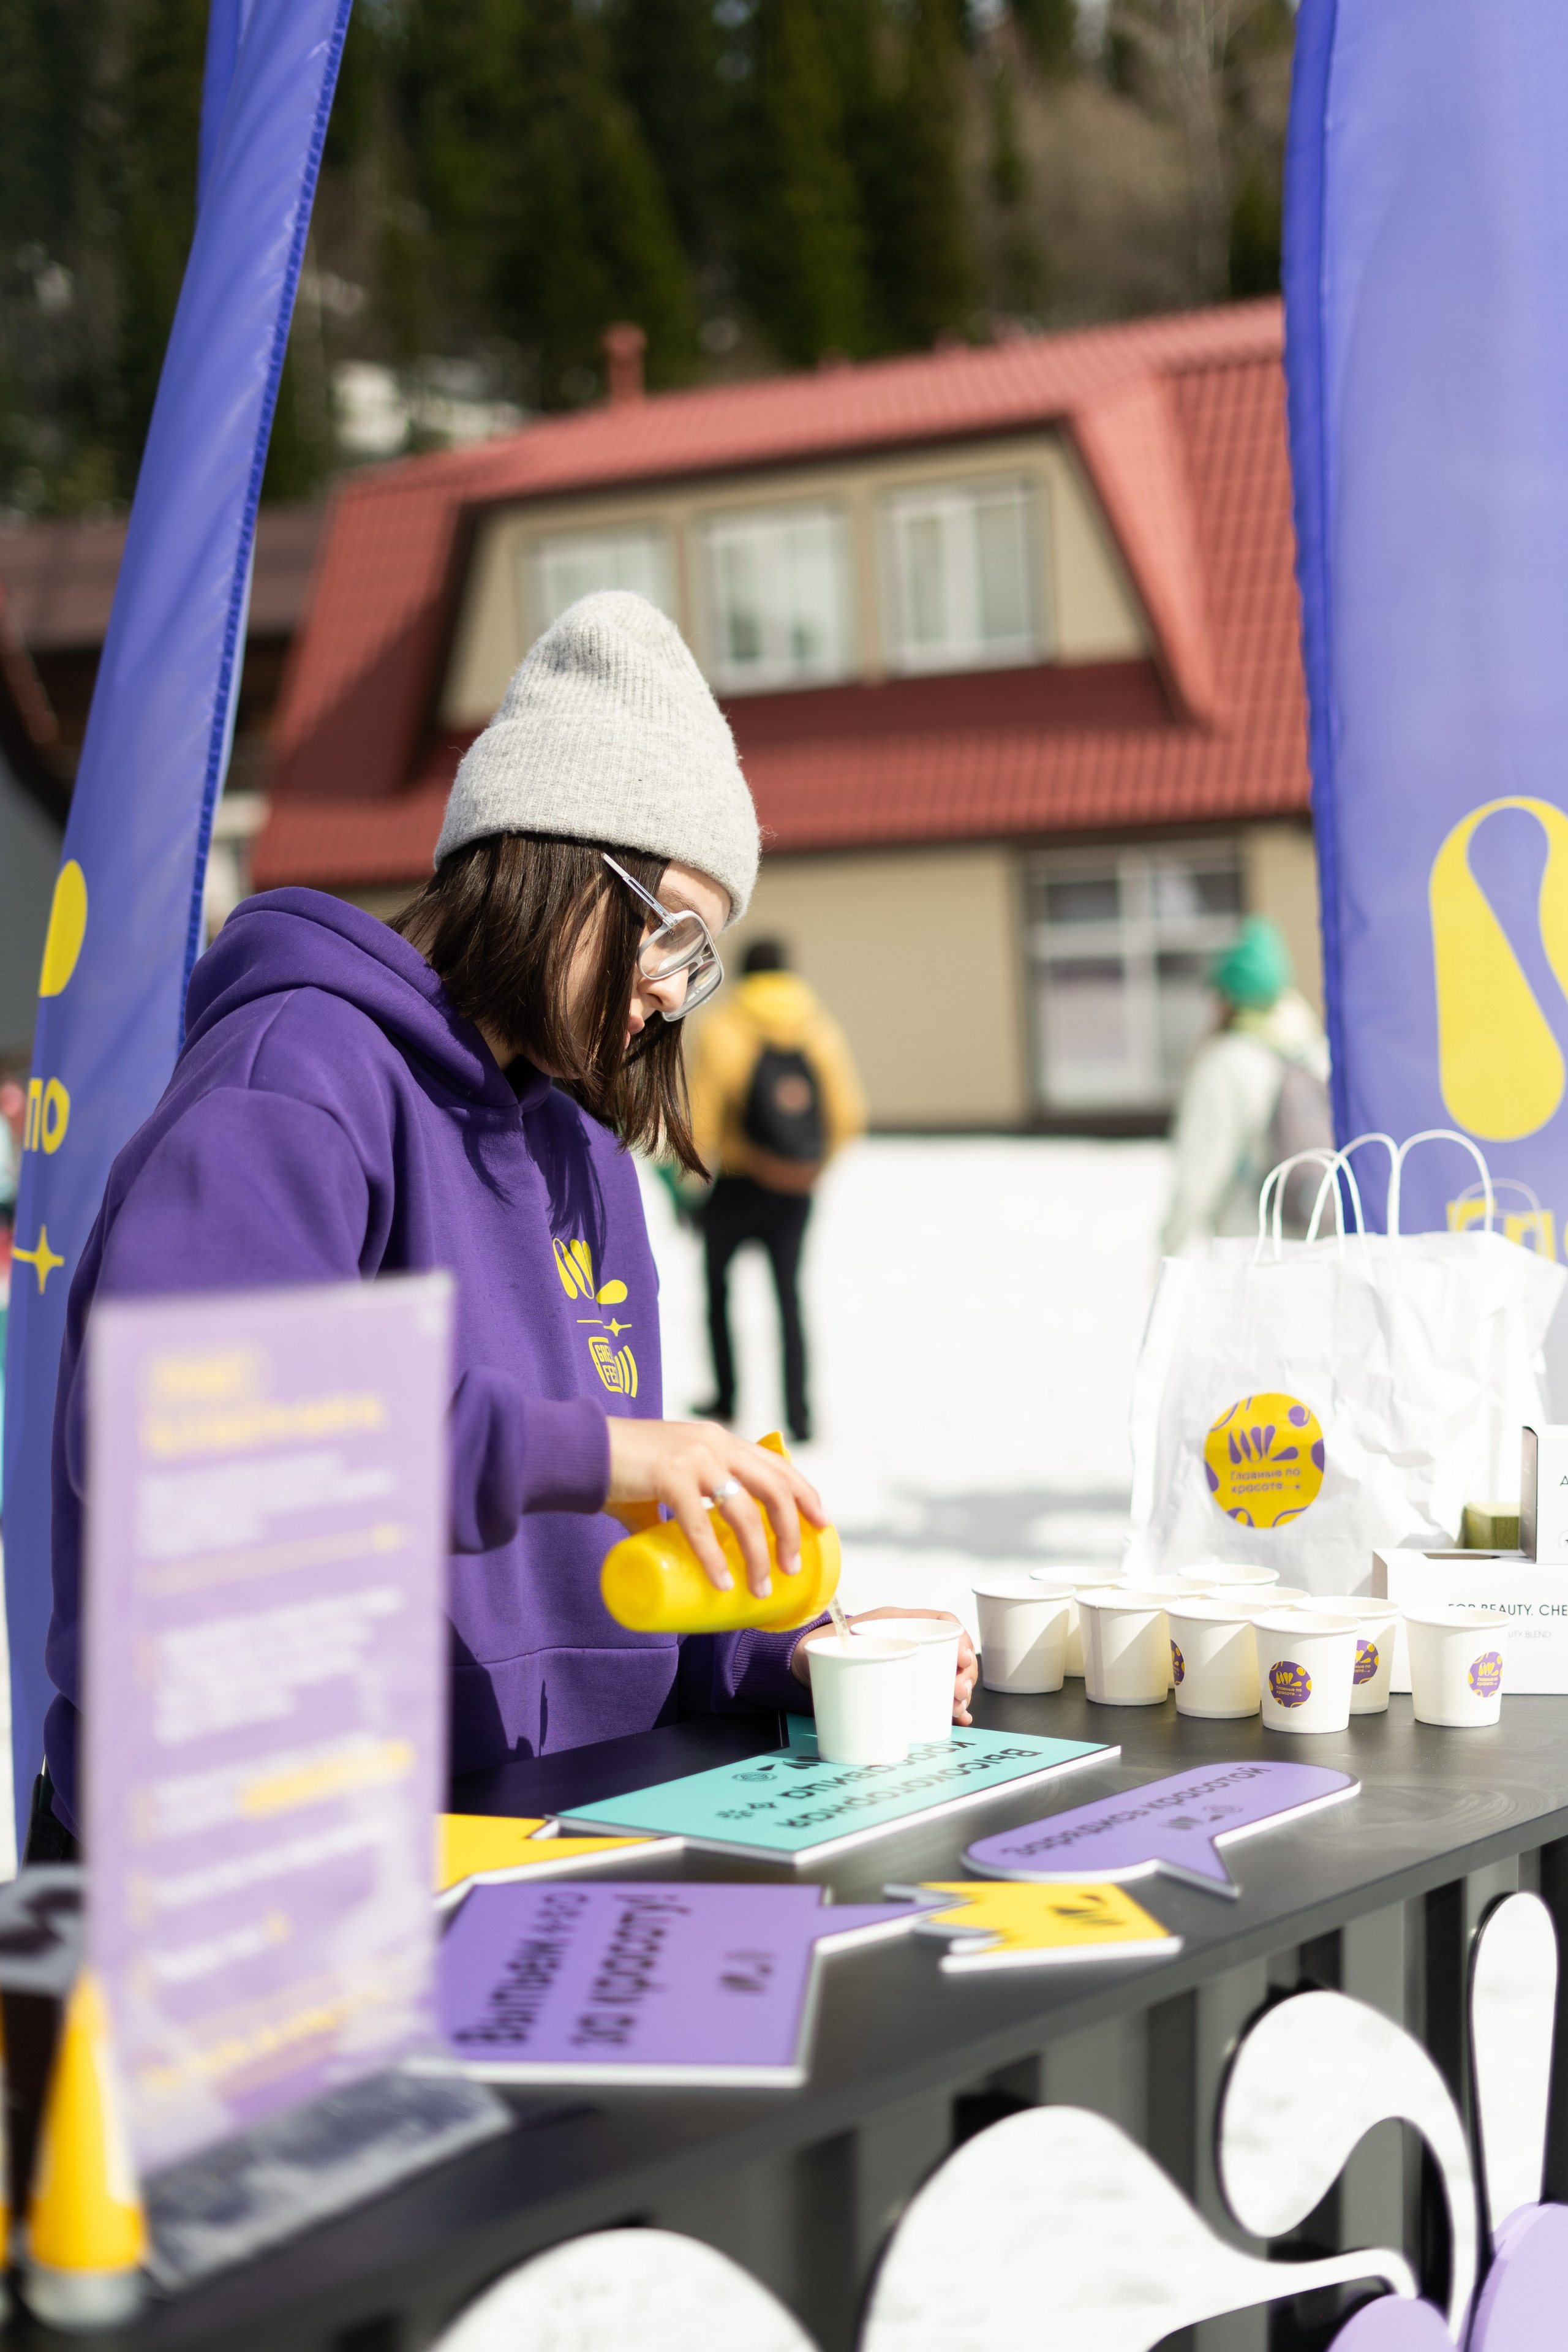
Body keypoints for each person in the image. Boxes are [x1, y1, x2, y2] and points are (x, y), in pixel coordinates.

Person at [36, 593, 973, 1853]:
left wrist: (781, 1652)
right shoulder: (294, 1073)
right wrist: (598, 1452)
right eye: (672, 931)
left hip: (547, 1837)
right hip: (253, 1876)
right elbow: (192, 1429)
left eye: (702, 958)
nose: (671, 987)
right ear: (552, 858)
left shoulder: (586, 1152)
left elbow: (596, 1561)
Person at [688, 939, 865, 1444]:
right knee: (789, 1297)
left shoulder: (722, 1026)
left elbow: (704, 1117)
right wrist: (807, 1168)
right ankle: (800, 1415)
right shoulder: (820, 1026)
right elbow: (849, 1115)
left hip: (739, 1185)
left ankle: (726, 1400)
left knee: (718, 1293)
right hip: (796, 1190)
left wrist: (691, 1186)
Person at [1161, 915, 1332, 1255]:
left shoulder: (1227, 1062)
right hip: (1322, 1239)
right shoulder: (1316, 1051)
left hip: (1252, 1248)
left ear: (1230, 998)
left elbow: (1202, 1164)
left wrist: (1171, 1244)